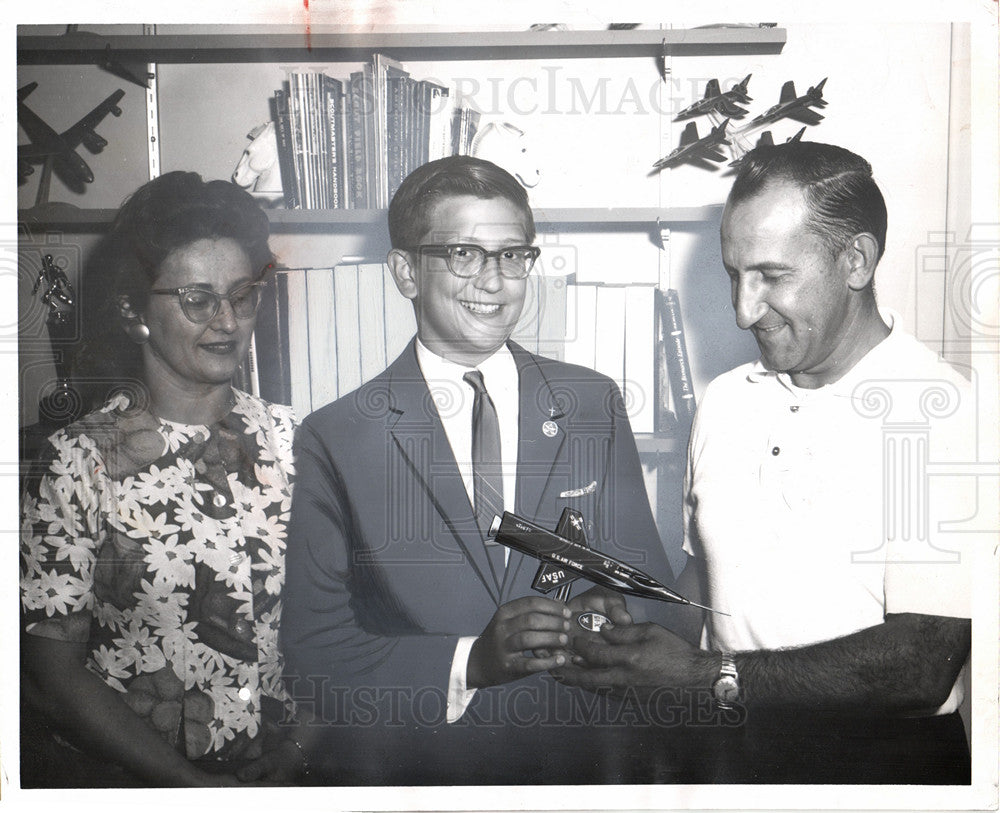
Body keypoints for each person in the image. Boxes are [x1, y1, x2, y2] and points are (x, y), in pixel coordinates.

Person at [554, 142, 977, 784]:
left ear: (855, 260)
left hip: (881, 770)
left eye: (772, 277)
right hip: (728, 756)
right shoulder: (725, 402)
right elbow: (711, 584)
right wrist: (638, 619)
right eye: (734, 274)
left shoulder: (942, 410)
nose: (742, 310)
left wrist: (707, 677)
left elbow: (923, 663)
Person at [280, 155, 680, 784]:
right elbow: (315, 657)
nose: (494, 281)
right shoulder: (337, 436)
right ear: (405, 272)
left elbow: (654, 593)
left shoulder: (591, 403)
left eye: (513, 255)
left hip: (581, 765)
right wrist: (469, 663)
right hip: (424, 770)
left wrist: (615, 614)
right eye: (464, 254)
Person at [19, 172, 306, 786]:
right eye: (199, 299)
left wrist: (296, 757)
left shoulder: (297, 443)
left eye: (243, 293)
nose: (228, 321)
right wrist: (188, 787)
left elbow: (349, 632)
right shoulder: (79, 458)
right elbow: (51, 672)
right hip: (131, 784)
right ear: (134, 312)